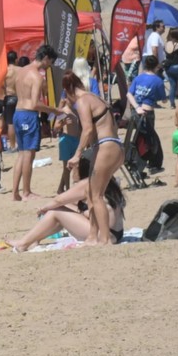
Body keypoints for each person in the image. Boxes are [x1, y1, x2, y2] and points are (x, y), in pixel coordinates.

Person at [2, 158, 126, 251]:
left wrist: (44, 208)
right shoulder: (107, 179)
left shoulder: (87, 183)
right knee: (61, 210)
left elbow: (59, 200)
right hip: (116, 233)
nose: (70, 168)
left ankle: (22, 244)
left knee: (56, 211)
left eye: (74, 166)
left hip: (104, 235)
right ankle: (34, 240)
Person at [59, 73, 124, 246]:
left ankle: (105, 239)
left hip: (105, 146)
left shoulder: (82, 101)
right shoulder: (95, 97)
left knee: (96, 195)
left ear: (68, 89)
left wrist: (77, 154)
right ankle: (93, 235)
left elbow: (87, 130)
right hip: (115, 145)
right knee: (91, 192)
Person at [10, 46, 56, 201]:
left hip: (18, 113)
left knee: (22, 154)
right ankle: (27, 192)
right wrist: (55, 110)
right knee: (29, 154)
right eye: (51, 61)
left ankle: (15, 192)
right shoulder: (37, 76)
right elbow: (36, 103)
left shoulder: (21, 71)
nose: (50, 65)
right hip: (28, 115)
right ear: (46, 58)